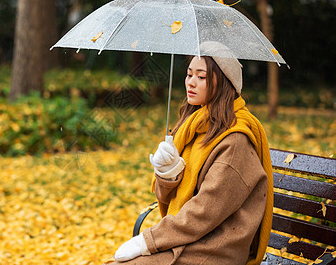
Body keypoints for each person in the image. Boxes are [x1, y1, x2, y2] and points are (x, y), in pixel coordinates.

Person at [109, 42, 273, 265]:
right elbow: (167, 198)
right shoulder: (193, 127)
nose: (191, 82)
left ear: (223, 83)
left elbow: (205, 211)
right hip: (189, 238)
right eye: (189, 74)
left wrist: (148, 241)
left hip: (216, 248)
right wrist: (167, 174)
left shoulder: (235, 141)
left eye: (201, 77)